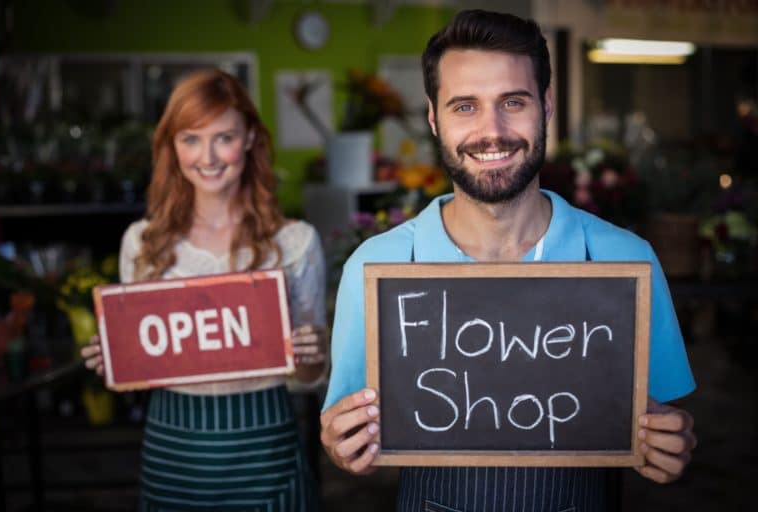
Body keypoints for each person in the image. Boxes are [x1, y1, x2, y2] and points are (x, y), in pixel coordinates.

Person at [320, 10, 697, 512]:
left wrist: (670, 445)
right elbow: (347, 430)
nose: (491, 131)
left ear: (546, 105)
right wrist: (343, 446)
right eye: (464, 107)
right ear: (434, 118)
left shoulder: (626, 261)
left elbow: (665, 423)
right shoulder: (376, 267)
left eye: (512, 102)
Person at [81, 69, 326, 511]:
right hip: (172, 450)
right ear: (172, 148)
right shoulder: (142, 242)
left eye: (224, 137)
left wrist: (314, 356)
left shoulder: (296, 242)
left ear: (250, 138)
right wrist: (113, 359)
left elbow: (309, 378)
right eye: (191, 139)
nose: (208, 156)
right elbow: (135, 373)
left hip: (266, 449)